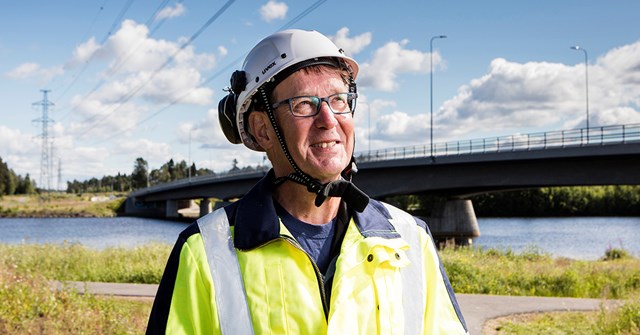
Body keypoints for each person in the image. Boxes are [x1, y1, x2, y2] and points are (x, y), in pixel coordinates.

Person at [146, 29, 468, 335]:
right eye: (303, 105)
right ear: (263, 130)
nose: (329, 120)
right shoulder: (205, 251)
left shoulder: (410, 239)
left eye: (339, 100)